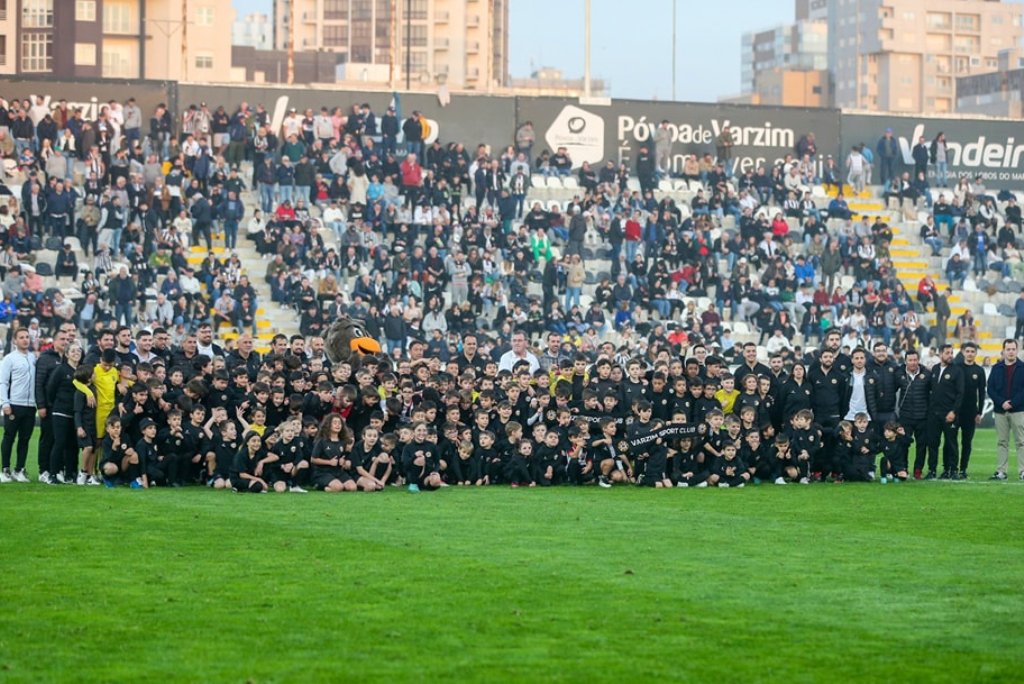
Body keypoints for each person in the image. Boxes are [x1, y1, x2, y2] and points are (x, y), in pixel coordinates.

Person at [0, 328, 36, 483]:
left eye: (27, 337)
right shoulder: (9, 359)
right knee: (9, 437)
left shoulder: (33, 357)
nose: (25, 340)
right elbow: (3, 382)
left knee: (25, 439)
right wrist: (4, 402)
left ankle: (19, 469)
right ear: (15, 340)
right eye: (21, 337)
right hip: (14, 404)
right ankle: (5, 469)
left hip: (30, 406)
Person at [924, 344, 963, 480]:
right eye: (947, 353)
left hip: (949, 413)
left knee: (951, 443)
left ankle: (952, 470)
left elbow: (960, 394)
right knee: (933, 443)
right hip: (934, 414)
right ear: (940, 354)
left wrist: (953, 411)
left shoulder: (957, 371)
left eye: (951, 353)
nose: (950, 355)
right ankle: (932, 470)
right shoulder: (934, 369)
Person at [987, 338, 1024, 481]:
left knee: (1021, 442)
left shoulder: (1023, 367)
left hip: (1018, 410)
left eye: (1013, 349)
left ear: (1017, 350)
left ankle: (1023, 471)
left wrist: (1013, 403)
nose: (1011, 352)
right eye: (1008, 349)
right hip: (1000, 411)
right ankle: (1001, 471)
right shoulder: (996, 368)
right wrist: (1001, 402)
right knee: (1002, 442)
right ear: (1003, 351)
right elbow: (990, 388)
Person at [955, 342, 986, 480]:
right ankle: (951, 468)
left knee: (966, 442)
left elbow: (981, 393)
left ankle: (963, 469)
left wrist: (979, 412)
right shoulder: (956, 368)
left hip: (970, 412)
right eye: (967, 351)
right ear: (963, 352)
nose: (970, 353)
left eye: (972, 351)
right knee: (952, 441)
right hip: (956, 411)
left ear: (975, 353)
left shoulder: (979, 371)